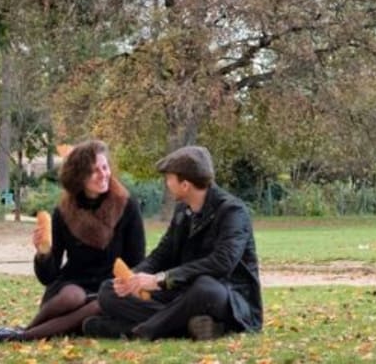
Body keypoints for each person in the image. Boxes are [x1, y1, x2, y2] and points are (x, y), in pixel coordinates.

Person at [0, 140, 146, 344]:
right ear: (79, 177)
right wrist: (42, 253)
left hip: (111, 285)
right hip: (73, 284)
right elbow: (49, 275)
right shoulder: (64, 212)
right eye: (94, 171)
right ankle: (26, 329)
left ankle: (20, 335)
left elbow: (136, 261)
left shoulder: (126, 205)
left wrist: (128, 289)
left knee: (99, 303)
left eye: (105, 167)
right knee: (71, 297)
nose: (103, 175)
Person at [87, 145, 262, 342]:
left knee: (204, 287)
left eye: (169, 178)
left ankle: (144, 330)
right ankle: (186, 327)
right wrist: (133, 278)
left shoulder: (233, 212)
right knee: (108, 291)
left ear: (185, 184)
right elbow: (162, 254)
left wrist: (160, 279)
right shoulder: (182, 211)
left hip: (227, 298)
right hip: (181, 295)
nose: (167, 183)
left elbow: (222, 263)